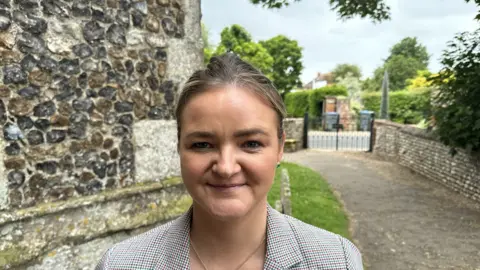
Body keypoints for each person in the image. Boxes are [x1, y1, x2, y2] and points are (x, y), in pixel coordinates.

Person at [95, 53, 363, 270]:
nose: (225, 167)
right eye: (202, 144)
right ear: (179, 147)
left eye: (251, 144)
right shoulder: (120, 263)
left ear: (280, 148)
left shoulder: (337, 261)